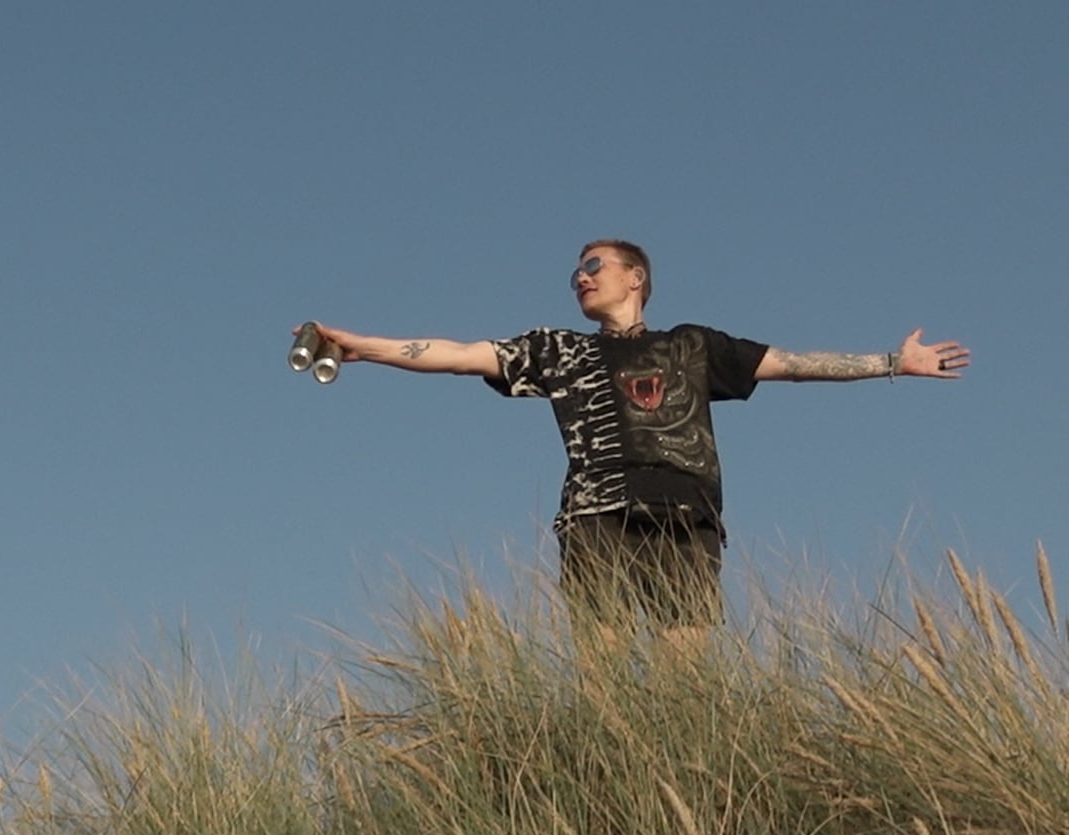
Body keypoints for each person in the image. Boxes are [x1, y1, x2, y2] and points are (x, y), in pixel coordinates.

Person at [305, 238, 970, 636]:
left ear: (636, 277)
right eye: (575, 274)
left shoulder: (692, 346)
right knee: (604, 683)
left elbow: (791, 365)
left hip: (687, 515)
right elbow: (455, 352)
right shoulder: (557, 350)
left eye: (595, 265)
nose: (581, 277)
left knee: (688, 682)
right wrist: (369, 346)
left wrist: (891, 362)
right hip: (596, 516)